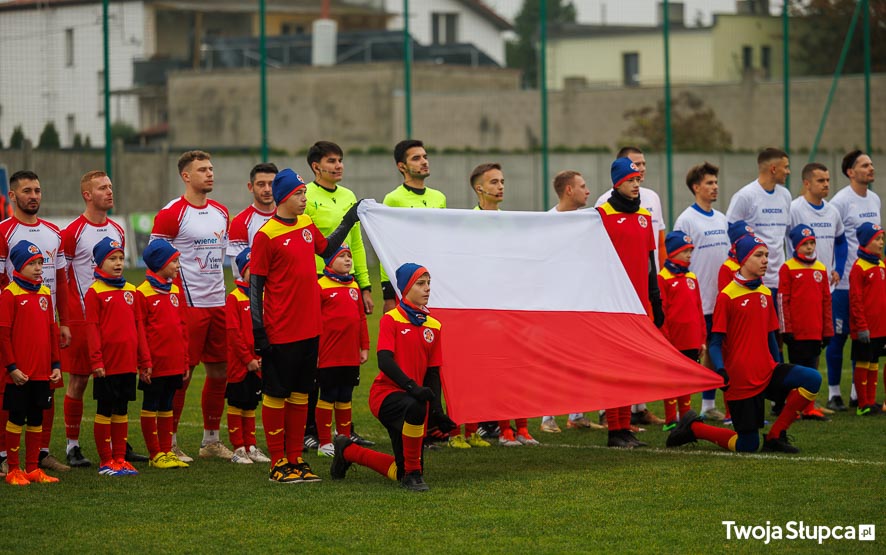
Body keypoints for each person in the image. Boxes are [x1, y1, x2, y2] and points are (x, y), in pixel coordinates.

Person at [249, 168, 360, 483]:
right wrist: (259, 330)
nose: (304, 199)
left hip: (310, 328)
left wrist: (348, 221)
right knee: (276, 394)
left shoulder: (307, 223)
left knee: (301, 394)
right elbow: (256, 286)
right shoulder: (266, 235)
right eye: (299, 194)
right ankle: (278, 462)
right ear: (284, 197)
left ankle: (296, 458)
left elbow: (326, 250)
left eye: (304, 194)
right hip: (281, 330)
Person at [667, 235, 822, 454]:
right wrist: (721, 370)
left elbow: (770, 336)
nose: (765, 260)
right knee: (747, 445)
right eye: (759, 255)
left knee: (812, 379)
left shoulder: (765, 292)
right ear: (743, 259)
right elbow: (715, 342)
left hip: (767, 372)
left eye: (767, 255)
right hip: (741, 381)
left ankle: (775, 436)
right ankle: (695, 428)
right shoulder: (727, 296)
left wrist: (778, 365)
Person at [329, 263, 454, 492]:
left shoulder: (434, 325)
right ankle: (414, 475)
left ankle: (347, 451)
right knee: (416, 408)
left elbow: (433, 373)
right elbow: (385, 361)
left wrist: (437, 412)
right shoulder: (391, 318)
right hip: (386, 395)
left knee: (400, 468)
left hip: (414, 399)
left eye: (428, 283)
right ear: (405, 288)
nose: (427, 288)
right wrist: (412, 387)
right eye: (420, 283)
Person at [150, 150, 231, 462]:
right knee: (182, 374)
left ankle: (211, 440)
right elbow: (155, 259)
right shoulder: (171, 213)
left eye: (211, 168)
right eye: (202, 170)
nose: (209, 174)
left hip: (218, 302)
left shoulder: (221, 212)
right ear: (185, 176)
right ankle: (169, 441)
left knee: (220, 371)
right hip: (188, 304)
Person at [61, 171, 135, 468]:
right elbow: (64, 276)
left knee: (117, 379)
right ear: (87, 195)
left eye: (110, 186)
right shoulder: (73, 232)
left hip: (113, 321)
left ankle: (119, 444)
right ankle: (72, 445)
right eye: (102, 188)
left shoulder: (117, 229)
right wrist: (70, 317)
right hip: (83, 318)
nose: (109, 191)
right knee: (79, 380)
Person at [304, 141, 374, 450]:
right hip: (316, 285)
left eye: (340, 160)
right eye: (331, 161)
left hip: (346, 285)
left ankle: (346, 432)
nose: (338, 165)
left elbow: (355, 244)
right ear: (316, 166)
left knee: (344, 368)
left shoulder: (348, 197)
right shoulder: (306, 196)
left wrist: (364, 285)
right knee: (318, 364)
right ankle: (311, 431)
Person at [0, 170, 70, 475]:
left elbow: (62, 280)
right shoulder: (4, 232)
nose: (33, 196)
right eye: (27, 191)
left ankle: (40, 454)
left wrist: (64, 321)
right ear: (12, 195)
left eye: (37, 190)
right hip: (15, 326)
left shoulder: (54, 232)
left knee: (47, 386)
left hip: (46, 323)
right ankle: (5, 456)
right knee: (10, 390)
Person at [594, 147, 667, 426]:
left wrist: (655, 300)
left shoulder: (644, 217)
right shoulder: (601, 215)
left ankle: (625, 426)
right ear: (617, 183)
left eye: (637, 180)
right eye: (630, 180)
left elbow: (650, 263)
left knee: (631, 364)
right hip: (613, 303)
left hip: (638, 304)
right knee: (614, 366)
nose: (637, 185)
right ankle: (615, 427)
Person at [539, 170, 602, 433]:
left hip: (582, 302)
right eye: (583, 186)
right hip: (555, 305)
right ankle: (547, 417)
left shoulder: (589, 221)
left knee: (582, 359)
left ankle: (577, 414)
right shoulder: (546, 223)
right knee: (553, 360)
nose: (588, 191)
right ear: (568, 190)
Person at [85, 237, 151, 476]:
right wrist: (96, 361)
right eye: (112, 258)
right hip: (107, 365)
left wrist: (145, 361)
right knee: (105, 408)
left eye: (121, 258)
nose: (118, 263)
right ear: (100, 262)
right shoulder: (94, 292)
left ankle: (120, 458)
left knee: (122, 409)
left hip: (127, 364)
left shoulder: (131, 290)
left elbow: (139, 327)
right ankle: (106, 461)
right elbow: (92, 329)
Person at [1, 241, 62, 485]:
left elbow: (52, 330)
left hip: (42, 372)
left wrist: (55, 364)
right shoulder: (10, 294)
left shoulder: (45, 293)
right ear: (18, 266)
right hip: (19, 373)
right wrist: (12, 368)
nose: (38, 268)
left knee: (37, 418)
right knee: (16, 418)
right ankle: (14, 469)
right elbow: (3, 336)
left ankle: (33, 468)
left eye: (40, 263)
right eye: (32, 264)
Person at [673, 162, 730, 421]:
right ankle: (681, 409)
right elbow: (678, 259)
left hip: (721, 299)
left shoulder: (721, 218)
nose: (715, 187)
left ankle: (708, 405)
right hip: (699, 300)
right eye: (709, 183)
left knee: (718, 352)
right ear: (696, 187)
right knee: (694, 353)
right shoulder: (686, 220)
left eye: (716, 182)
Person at [825, 150, 879, 411]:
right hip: (844, 284)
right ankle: (834, 393)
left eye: (871, 164)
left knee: (864, 340)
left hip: (867, 285)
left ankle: (859, 395)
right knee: (838, 337)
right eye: (864, 165)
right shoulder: (840, 201)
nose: (871, 168)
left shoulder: (875, 199)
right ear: (850, 172)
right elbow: (835, 239)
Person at [135, 239, 190, 469]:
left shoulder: (175, 290)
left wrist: (185, 360)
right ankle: (154, 453)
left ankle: (167, 450)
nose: (178, 266)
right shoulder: (142, 293)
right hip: (154, 364)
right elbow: (140, 330)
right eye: (174, 261)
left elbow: (182, 327)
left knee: (168, 404)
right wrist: (144, 362)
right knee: (151, 404)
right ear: (160, 263)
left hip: (174, 361)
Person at [725, 148, 792, 329]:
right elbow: (730, 232)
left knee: (779, 332)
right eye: (785, 167)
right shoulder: (745, 196)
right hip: (755, 281)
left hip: (780, 279)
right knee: (758, 331)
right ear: (773, 168)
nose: (788, 171)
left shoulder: (785, 195)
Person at [380, 140, 446, 313]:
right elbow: (385, 246)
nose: (424, 162)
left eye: (425, 157)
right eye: (416, 158)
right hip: (407, 281)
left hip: (434, 278)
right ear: (402, 166)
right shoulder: (393, 199)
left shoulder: (439, 198)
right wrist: (388, 294)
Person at [315, 245, 369, 457]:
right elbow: (312, 319)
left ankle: (344, 440)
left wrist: (364, 347)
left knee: (346, 395)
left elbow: (361, 319)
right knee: (328, 395)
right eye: (342, 256)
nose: (348, 260)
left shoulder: (354, 285)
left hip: (350, 354)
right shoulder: (320, 285)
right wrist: (315, 351)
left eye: (349, 256)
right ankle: (324, 443)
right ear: (329, 261)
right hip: (328, 354)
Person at [777, 225, 833, 420]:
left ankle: (809, 407)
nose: (809, 247)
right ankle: (793, 407)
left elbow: (826, 301)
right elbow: (783, 299)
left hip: (815, 331)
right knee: (796, 370)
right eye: (805, 244)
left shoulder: (821, 268)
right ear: (795, 245)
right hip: (797, 332)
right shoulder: (788, 268)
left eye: (812, 243)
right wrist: (786, 329)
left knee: (812, 369)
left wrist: (828, 330)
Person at [224, 248, 271, 464]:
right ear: (242, 271)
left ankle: (250, 445)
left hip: (258, 362)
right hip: (240, 364)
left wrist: (261, 357)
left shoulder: (264, 296)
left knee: (251, 403)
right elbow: (233, 333)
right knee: (237, 402)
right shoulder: (234, 298)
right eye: (252, 268)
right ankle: (238, 448)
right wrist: (247, 359)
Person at [657, 232, 706, 430]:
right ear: (672, 252)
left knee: (686, 378)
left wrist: (702, 338)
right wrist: (666, 339)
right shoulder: (663, 277)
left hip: (691, 339)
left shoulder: (691, 277)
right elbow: (662, 311)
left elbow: (699, 308)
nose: (689, 255)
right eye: (685, 251)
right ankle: (670, 419)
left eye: (690, 251)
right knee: (671, 380)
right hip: (673, 340)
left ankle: (686, 416)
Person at [848, 222, 886, 416]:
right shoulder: (858, 267)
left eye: (882, 239)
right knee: (863, 362)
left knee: (874, 363)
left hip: (881, 327)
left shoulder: (881, 264)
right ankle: (862, 405)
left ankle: (872, 401)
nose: (881, 243)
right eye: (877, 239)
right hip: (865, 328)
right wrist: (862, 326)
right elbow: (856, 300)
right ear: (866, 241)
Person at [226, 163, 278, 281]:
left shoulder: (288, 217)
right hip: (255, 290)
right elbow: (239, 271)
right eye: (261, 184)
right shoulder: (240, 222)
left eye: (271, 184)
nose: (267, 189)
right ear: (250, 187)